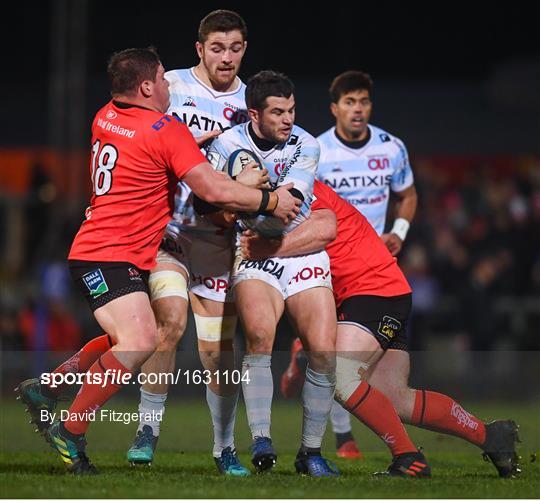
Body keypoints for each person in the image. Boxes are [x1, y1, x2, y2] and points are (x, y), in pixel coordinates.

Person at [15, 47, 300, 475]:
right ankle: (71, 431)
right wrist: (269, 199)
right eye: (163, 79)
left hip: (104, 251)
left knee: (124, 339)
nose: (169, 85)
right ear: (147, 86)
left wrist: (187, 145)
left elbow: (145, 155)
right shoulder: (166, 130)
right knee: (139, 339)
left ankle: (49, 388)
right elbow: (215, 192)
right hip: (107, 256)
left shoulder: (105, 115)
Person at [241, 180, 520, 479]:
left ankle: (407, 457)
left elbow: (325, 230)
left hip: (372, 292)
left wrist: (264, 248)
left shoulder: (298, 187)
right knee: (398, 399)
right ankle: (490, 436)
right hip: (381, 291)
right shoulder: (286, 190)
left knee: (337, 376)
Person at [125, 10, 256, 476]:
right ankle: (147, 431)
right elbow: (135, 140)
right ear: (199, 49)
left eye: (235, 48)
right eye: (217, 48)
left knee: (217, 351)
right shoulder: (171, 87)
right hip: (170, 234)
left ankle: (224, 448)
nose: (227, 58)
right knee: (170, 324)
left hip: (219, 242)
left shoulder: (252, 102)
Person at [206, 71, 339, 477]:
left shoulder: (306, 143)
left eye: (292, 110)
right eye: (278, 112)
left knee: (323, 350)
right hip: (252, 252)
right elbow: (211, 208)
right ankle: (261, 438)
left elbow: (288, 205)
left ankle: (310, 452)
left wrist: (241, 193)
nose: (287, 119)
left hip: (297, 248)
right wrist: (230, 201)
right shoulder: (226, 144)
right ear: (254, 114)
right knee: (260, 335)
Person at [281, 70, 418, 458]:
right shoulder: (316, 151)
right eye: (350, 102)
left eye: (364, 102)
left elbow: (407, 195)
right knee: (340, 364)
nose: (358, 110)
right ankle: (344, 439)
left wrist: (400, 231)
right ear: (334, 109)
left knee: (344, 361)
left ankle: (304, 349)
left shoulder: (392, 148)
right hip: (330, 257)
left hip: (373, 262)